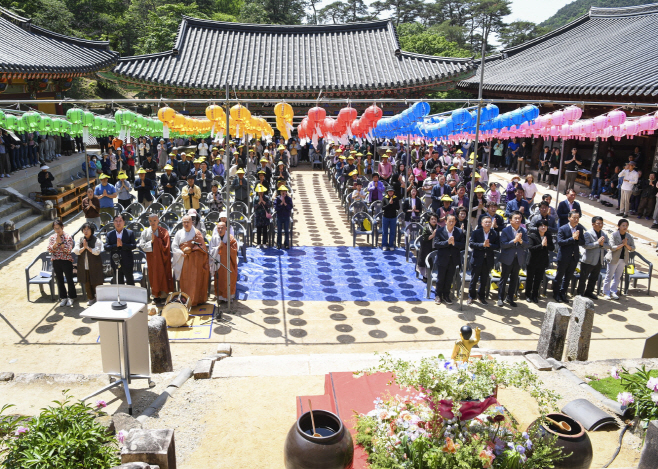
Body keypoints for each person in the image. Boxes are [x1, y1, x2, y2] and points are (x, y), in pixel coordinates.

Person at [172, 215, 209, 306]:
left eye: (188, 222)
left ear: (192, 222)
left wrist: (192, 250)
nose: (186, 224)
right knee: (185, 281)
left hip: (195, 261)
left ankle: (197, 301)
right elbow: (174, 246)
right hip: (183, 260)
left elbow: (202, 247)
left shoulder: (197, 233)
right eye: (184, 222)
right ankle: (186, 300)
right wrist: (181, 252)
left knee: (195, 280)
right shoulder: (179, 233)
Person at [137, 213, 174, 303]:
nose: (152, 223)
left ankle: (164, 295)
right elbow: (141, 245)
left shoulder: (164, 232)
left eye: (154, 220)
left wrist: (157, 241)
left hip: (162, 258)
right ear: (148, 221)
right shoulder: (145, 232)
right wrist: (152, 242)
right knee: (154, 276)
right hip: (152, 258)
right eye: (150, 221)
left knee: (163, 274)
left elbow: (166, 246)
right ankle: (155, 295)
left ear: (158, 221)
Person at [497, 212, 528, 307]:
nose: (518, 220)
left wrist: (521, 241)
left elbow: (527, 245)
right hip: (507, 258)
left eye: (519, 218)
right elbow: (503, 245)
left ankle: (510, 298)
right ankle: (500, 298)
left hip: (518, 258)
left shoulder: (524, 231)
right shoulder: (505, 231)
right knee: (504, 278)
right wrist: (514, 241)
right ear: (510, 220)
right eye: (516, 218)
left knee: (514, 279)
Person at [553, 211, 585, 303]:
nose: (576, 220)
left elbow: (583, 242)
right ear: (569, 218)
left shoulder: (580, 228)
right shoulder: (563, 228)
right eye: (574, 217)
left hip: (574, 257)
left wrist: (578, 238)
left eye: (577, 218)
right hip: (564, 257)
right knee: (559, 276)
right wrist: (572, 238)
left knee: (568, 277)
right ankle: (556, 293)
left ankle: (563, 293)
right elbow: (560, 242)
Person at [576, 216, 610, 300]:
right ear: (593, 224)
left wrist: (602, 245)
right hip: (588, 259)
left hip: (599, 259)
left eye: (601, 223)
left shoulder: (604, 234)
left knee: (594, 277)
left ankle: (589, 291)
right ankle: (580, 292)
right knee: (583, 277)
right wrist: (597, 243)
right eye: (598, 223)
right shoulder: (588, 233)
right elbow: (586, 245)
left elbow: (608, 245)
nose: (600, 225)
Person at [433, 214, 465, 305]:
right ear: (445, 221)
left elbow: (463, 245)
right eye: (449, 221)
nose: (451, 223)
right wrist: (447, 243)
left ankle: (446, 295)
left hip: (453, 259)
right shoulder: (440, 231)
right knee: (440, 278)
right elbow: (436, 244)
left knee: (449, 278)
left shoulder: (459, 231)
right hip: (442, 258)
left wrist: (454, 243)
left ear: (455, 222)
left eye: (453, 221)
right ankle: (438, 295)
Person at [468, 216, 499, 305]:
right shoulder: (476, 232)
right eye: (486, 222)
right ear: (482, 224)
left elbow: (497, 246)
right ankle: (471, 296)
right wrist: (482, 245)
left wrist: (489, 245)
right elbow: (471, 244)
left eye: (489, 222)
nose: (488, 224)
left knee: (484, 280)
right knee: (474, 279)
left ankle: (481, 297)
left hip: (488, 260)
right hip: (477, 259)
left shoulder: (494, 233)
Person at [603, 218, 635, 300]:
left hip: (623, 259)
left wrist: (626, 245)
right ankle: (606, 292)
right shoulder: (614, 235)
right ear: (619, 226)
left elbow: (633, 248)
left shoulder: (629, 236)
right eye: (623, 225)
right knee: (609, 276)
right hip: (613, 258)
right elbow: (612, 247)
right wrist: (622, 244)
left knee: (618, 276)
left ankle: (613, 291)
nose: (625, 227)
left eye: (626, 225)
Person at [47, 220, 77, 307]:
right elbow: (49, 249)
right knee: (59, 280)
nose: (57, 230)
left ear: (62, 227)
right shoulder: (52, 237)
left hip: (66, 260)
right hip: (56, 261)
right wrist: (56, 243)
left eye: (58, 228)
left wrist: (61, 243)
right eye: (55, 228)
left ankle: (71, 297)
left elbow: (68, 250)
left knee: (69, 279)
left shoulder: (68, 237)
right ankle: (63, 297)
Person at [73, 222, 103, 306]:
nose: (86, 231)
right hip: (84, 265)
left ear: (91, 230)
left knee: (96, 282)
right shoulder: (80, 240)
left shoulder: (96, 240)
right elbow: (76, 250)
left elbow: (97, 252)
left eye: (88, 229)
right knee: (87, 282)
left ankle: (99, 298)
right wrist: (83, 248)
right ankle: (91, 298)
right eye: (84, 229)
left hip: (94, 265)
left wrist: (88, 248)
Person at [524, 219, 554, 304]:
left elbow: (552, 248)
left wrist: (546, 245)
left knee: (538, 279)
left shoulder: (548, 235)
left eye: (545, 226)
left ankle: (535, 295)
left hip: (542, 261)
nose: (543, 227)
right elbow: (531, 248)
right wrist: (541, 245)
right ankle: (527, 295)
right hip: (532, 261)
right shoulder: (532, 235)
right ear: (538, 227)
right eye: (541, 225)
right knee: (530, 279)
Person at [209, 222, 238, 302]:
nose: (220, 230)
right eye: (218, 228)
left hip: (228, 263)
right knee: (219, 280)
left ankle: (229, 297)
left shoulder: (230, 238)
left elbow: (234, 251)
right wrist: (218, 247)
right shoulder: (214, 238)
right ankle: (220, 297)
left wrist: (224, 247)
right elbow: (211, 250)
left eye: (222, 228)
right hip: (218, 262)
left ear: (226, 228)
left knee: (229, 279)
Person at [104, 213, 136, 285]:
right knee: (119, 281)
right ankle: (121, 296)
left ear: (124, 222)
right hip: (115, 262)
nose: (118, 223)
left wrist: (123, 245)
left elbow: (134, 245)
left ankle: (131, 295)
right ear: (113, 223)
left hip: (127, 261)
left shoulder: (129, 233)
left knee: (130, 280)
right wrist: (116, 246)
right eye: (116, 221)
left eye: (120, 221)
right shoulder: (110, 234)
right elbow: (106, 247)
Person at [416, 213, 438, 280]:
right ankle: (425, 276)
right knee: (426, 261)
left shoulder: (439, 227)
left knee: (433, 262)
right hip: (426, 247)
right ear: (429, 220)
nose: (434, 220)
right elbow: (424, 238)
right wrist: (432, 235)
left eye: (435, 219)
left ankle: (434, 275)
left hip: (435, 247)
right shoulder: (426, 227)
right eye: (432, 219)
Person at [381, 185, 399, 251]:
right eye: (389, 191)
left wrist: (392, 203)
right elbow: (383, 207)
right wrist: (389, 204)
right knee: (385, 232)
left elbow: (398, 207)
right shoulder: (384, 198)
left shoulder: (396, 198)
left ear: (393, 192)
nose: (390, 192)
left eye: (392, 191)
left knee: (392, 232)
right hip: (385, 217)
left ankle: (391, 244)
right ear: (387, 192)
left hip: (393, 217)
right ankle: (384, 245)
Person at [274, 185, 293, 249]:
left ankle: (286, 244)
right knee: (279, 231)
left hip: (286, 216)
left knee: (286, 231)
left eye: (284, 191)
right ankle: (279, 244)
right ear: (280, 192)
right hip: (279, 216)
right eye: (282, 191)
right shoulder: (277, 199)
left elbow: (290, 207)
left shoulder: (288, 199)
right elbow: (276, 208)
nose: (283, 192)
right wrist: (281, 203)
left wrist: (285, 203)